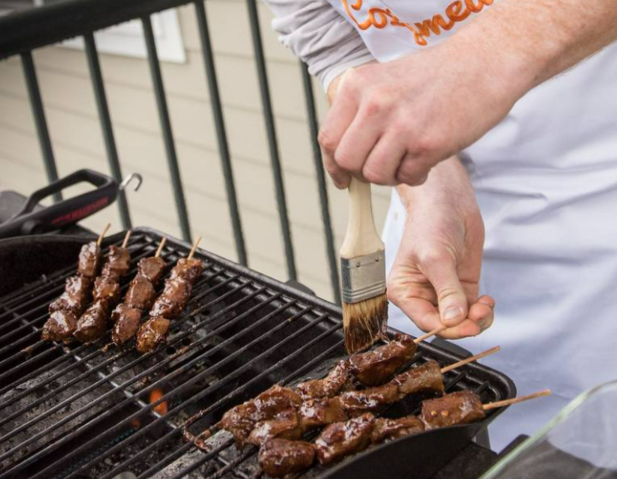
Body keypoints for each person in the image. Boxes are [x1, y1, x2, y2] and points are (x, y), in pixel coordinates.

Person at [262, 0, 617, 450]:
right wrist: (429, 187)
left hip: (602, 199)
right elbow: (321, 29)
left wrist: (479, 60)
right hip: (428, 227)